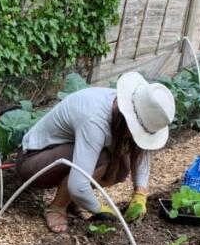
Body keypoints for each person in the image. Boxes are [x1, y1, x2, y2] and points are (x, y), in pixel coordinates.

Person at [15, 72, 175, 233]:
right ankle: (57, 207)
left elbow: (140, 152)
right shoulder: (94, 120)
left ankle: (74, 201)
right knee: (102, 159)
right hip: (35, 161)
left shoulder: (124, 106)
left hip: (65, 153)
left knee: (120, 169)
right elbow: (78, 185)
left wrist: (140, 193)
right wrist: (100, 209)